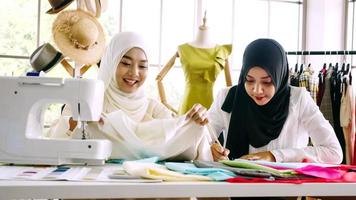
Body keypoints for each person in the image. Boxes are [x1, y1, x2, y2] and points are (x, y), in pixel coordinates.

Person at [49, 31, 212, 161]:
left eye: (142, 66)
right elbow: (54, 144)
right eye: (125, 63)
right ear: (111, 62)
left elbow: (179, 135)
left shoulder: (153, 108)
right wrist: (73, 123)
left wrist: (197, 122)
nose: (134, 73)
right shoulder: (86, 103)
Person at [209, 38, 343, 164]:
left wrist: (275, 156)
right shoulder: (227, 97)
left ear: (279, 76)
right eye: (249, 80)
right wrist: (210, 149)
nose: (257, 90)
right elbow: (201, 140)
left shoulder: (298, 100)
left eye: (266, 82)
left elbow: (333, 153)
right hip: (234, 185)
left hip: (286, 188)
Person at [156, 14, 232, 115]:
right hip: (187, 105)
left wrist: (225, 114)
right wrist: (165, 103)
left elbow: (230, 89)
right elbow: (159, 79)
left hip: (209, 107)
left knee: (208, 129)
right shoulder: (183, 49)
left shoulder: (221, 51)